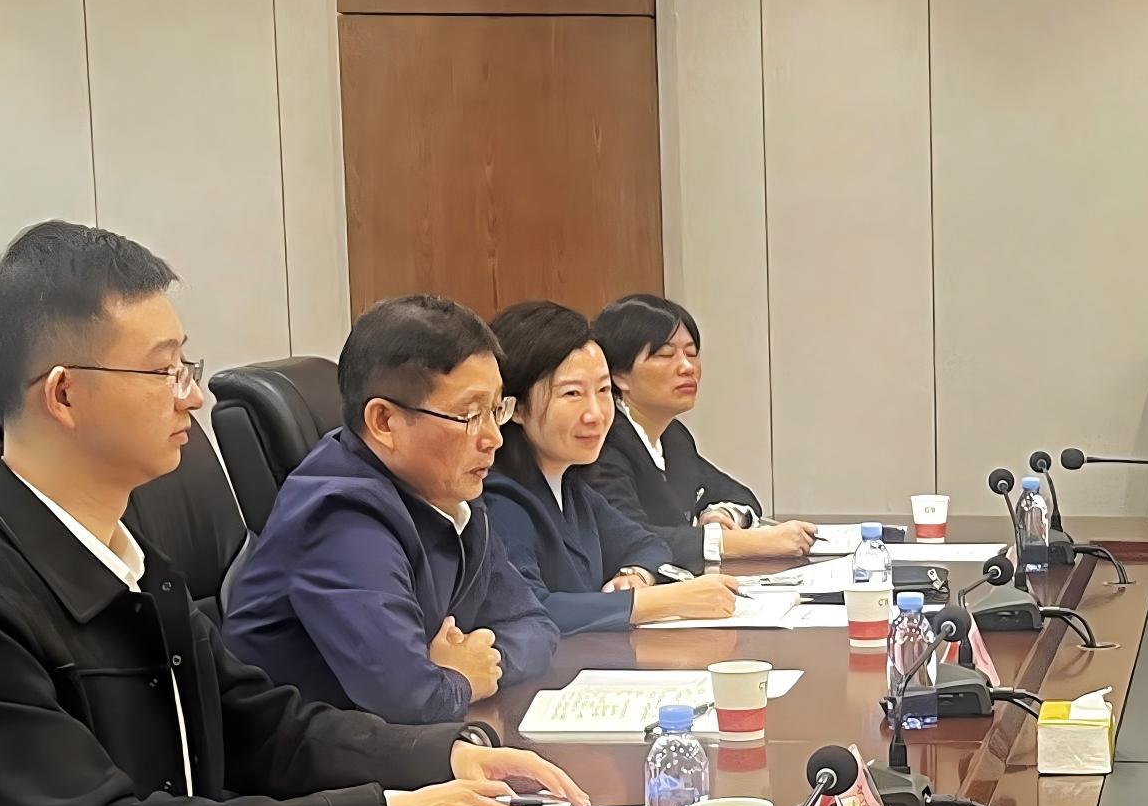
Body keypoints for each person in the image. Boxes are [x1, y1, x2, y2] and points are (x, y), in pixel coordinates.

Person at [0, 225, 588, 806]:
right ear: (65, 395)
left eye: (187, 365)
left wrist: (439, 756)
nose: (193, 394)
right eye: (163, 371)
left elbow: (259, 724)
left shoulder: (127, 555)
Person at [226, 295, 570, 727]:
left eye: (495, 410)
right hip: (306, 759)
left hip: (393, 747)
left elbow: (535, 624)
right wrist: (459, 679)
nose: (493, 438)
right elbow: (411, 699)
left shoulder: (446, 492)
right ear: (384, 422)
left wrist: (478, 662)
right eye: (468, 414)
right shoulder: (337, 518)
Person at [481, 299, 741, 633]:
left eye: (603, 390)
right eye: (572, 394)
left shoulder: (572, 489)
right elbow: (530, 609)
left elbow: (649, 544)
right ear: (514, 407)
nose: (595, 413)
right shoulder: (499, 499)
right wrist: (659, 601)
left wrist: (635, 575)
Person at [586, 293, 817, 568]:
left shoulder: (674, 436)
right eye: (665, 355)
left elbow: (739, 495)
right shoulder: (603, 442)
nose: (687, 367)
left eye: (692, 353)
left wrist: (720, 515)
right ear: (618, 374)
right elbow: (629, 539)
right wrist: (746, 543)